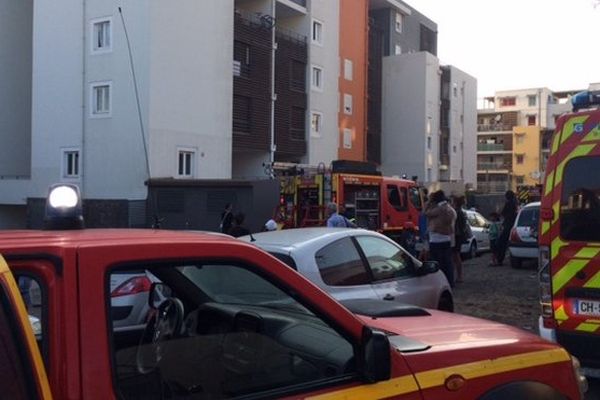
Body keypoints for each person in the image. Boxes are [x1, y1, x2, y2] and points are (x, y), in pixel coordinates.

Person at [424, 190, 457, 286]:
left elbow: (425, 213)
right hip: (446, 238)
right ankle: (450, 282)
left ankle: (440, 283)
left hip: (436, 239)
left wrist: (428, 203)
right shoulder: (449, 209)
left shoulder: (439, 209)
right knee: (448, 263)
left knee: (437, 263)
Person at [495, 190, 518, 265]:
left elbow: (503, 213)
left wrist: (498, 211)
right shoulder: (514, 204)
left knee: (500, 243)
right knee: (504, 243)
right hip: (512, 225)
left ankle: (499, 260)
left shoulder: (509, 204)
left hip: (507, 226)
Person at [452, 195, 471, 283]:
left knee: (455, 255)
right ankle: (458, 276)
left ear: (455, 203)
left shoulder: (457, 212)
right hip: (458, 236)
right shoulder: (461, 212)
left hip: (456, 235)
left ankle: (459, 276)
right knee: (456, 255)